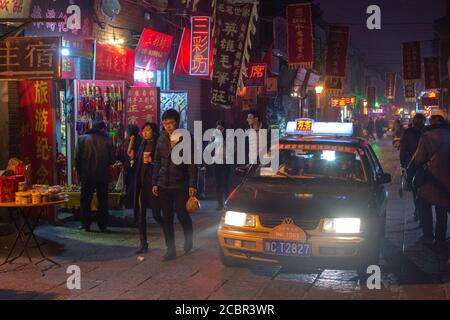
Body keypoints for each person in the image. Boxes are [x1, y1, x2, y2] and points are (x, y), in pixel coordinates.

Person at [152, 109, 198, 261]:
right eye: (165, 124)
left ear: (177, 122)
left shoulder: (186, 138)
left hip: (181, 184)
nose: (168, 126)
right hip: (164, 184)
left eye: (170, 123)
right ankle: (170, 250)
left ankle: (188, 240)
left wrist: (192, 184)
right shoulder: (161, 139)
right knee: (167, 218)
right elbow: (157, 161)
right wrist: (155, 182)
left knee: (182, 214)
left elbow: (192, 162)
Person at [413, 109, 450, 250]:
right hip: (447, 180)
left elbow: (419, 159)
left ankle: (428, 235)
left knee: (425, 204)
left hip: (431, 179)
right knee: (442, 210)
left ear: (434, 120)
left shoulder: (427, 136)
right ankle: (440, 239)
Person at [75, 120, 115, 232]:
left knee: (85, 200)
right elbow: (112, 159)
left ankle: (85, 224)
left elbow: (77, 159)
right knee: (103, 201)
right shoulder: (107, 140)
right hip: (102, 175)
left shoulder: (82, 138)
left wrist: (80, 173)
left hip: (87, 175)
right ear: (102, 129)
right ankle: (102, 225)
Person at [132, 122, 163, 254]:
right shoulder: (142, 144)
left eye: (148, 130)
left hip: (153, 184)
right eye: (143, 130)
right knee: (141, 214)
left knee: (156, 214)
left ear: (154, 132)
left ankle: (169, 233)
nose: (145, 132)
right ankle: (143, 243)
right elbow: (138, 164)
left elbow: (164, 164)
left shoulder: (159, 144)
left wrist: (151, 160)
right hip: (141, 184)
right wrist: (133, 159)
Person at [400, 114, 426, 222]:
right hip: (424, 165)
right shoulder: (425, 132)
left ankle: (418, 212)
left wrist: (403, 164)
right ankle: (421, 212)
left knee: (415, 189)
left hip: (412, 164)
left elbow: (403, 150)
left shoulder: (407, 133)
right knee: (423, 189)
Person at [122, 124, 142, 227]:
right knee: (135, 196)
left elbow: (132, 161)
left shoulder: (133, 143)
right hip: (134, 173)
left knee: (135, 196)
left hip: (134, 174)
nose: (124, 133)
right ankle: (136, 218)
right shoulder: (136, 141)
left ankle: (137, 220)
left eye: (126, 131)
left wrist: (131, 159)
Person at [210, 120, 232, 211]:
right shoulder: (214, 136)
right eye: (218, 127)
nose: (219, 129)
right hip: (217, 161)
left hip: (226, 161)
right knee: (218, 183)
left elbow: (233, 148)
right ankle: (220, 204)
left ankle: (227, 203)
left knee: (225, 183)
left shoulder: (229, 136)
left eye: (221, 128)